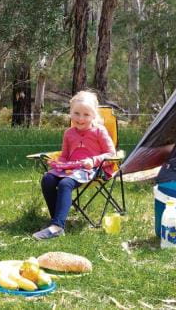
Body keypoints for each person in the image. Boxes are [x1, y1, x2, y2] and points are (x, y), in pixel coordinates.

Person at [33, 90, 116, 240]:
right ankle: (56, 222)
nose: (81, 118)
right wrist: (58, 163)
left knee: (65, 184)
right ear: (70, 113)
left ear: (94, 116)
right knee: (48, 179)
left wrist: (93, 161)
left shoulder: (99, 131)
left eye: (86, 114)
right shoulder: (69, 133)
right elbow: (65, 155)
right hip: (71, 168)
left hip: (93, 169)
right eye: (76, 113)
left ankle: (57, 227)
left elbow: (111, 155)